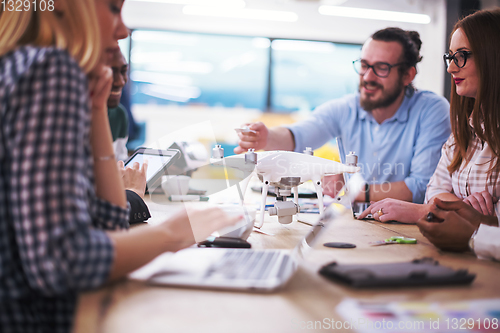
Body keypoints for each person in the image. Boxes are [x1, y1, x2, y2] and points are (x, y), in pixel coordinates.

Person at [0, 1, 239, 332]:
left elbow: (109, 223)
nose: (123, 30)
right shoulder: (48, 69)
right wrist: (172, 234)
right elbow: (61, 262)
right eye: (113, 8)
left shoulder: (17, 67)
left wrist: (97, 109)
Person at [235, 27, 450, 204]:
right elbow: (298, 135)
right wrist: (266, 137)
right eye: (364, 65)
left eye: (381, 68)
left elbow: (423, 187)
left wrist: (352, 189)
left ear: (407, 75)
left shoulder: (432, 110)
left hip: (408, 231)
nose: (367, 77)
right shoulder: (346, 108)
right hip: (357, 222)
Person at [359, 8, 500, 226]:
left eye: (462, 55)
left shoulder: (432, 108)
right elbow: (433, 191)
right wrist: (463, 210)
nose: (451, 67)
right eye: (451, 57)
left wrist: (431, 211)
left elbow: (420, 188)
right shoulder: (467, 127)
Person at [108, 49, 129, 162]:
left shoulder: (119, 114)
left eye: (123, 71)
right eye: (111, 72)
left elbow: (121, 160)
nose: (120, 82)